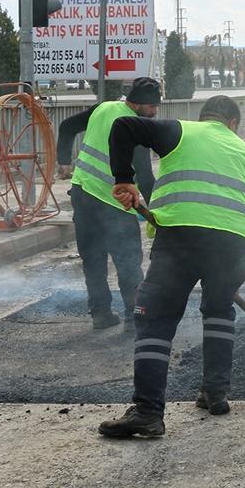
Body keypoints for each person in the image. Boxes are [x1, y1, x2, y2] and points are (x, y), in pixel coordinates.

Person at [98, 95, 245, 439]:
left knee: (155, 317)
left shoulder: (182, 131)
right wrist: (238, 261)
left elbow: (123, 126)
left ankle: (148, 412)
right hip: (234, 243)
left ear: (204, 118)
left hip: (182, 237)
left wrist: (124, 178)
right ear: (233, 124)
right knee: (219, 311)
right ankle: (215, 393)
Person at [57, 78, 161, 330]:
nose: (155, 111)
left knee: (93, 259)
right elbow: (145, 177)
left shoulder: (103, 108)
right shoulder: (136, 126)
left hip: (83, 194)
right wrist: (159, 213)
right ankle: (134, 318)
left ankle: (101, 314)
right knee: (128, 261)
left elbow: (67, 126)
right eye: (151, 106)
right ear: (136, 103)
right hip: (114, 203)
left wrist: (64, 160)